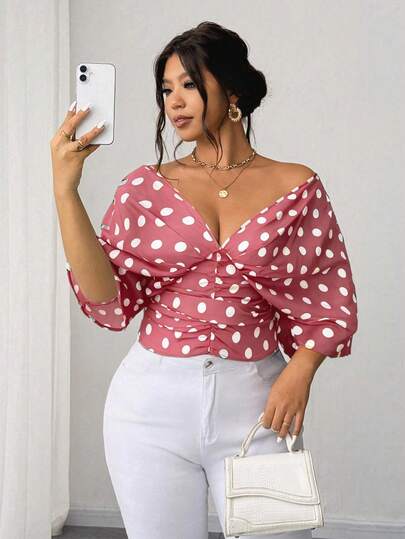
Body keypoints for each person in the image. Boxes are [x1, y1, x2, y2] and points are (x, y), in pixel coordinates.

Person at [50, 21, 358, 539]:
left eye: (189, 84)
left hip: (259, 405)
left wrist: (301, 371)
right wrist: (66, 192)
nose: (174, 101)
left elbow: (328, 295)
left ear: (232, 91)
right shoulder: (145, 187)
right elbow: (107, 299)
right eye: (166, 89)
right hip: (149, 407)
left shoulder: (297, 185)